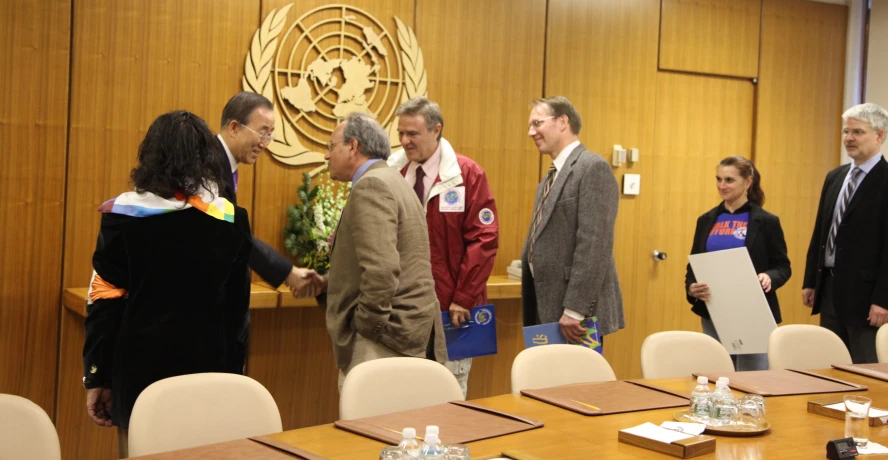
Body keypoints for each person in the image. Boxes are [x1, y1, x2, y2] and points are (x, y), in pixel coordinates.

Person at [83, 111, 252, 457]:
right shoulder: (231, 218)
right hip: (210, 372)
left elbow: (105, 300)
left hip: (138, 375)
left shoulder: (123, 217)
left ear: (150, 158)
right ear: (206, 158)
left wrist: (97, 375)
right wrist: (234, 375)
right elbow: (238, 311)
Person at [316, 112, 447, 390]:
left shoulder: (372, 185)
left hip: (383, 339)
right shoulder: (394, 179)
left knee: (371, 428)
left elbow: (382, 270)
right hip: (403, 330)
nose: (327, 156)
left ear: (352, 147)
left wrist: (367, 326)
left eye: (331, 147)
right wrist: (330, 282)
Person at [386, 97, 498, 396]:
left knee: (448, 393)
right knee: (404, 393)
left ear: (437, 130)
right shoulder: (392, 172)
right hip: (403, 309)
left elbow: (484, 239)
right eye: (401, 133)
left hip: (452, 308)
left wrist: (463, 297)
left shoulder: (467, 175)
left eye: (413, 134)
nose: (405, 142)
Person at [216, 92, 320, 372]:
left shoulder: (224, 167)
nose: (265, 143)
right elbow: (232, 237)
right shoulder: (210, 170)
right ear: (235, 127)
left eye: (270, 135)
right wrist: (288, 272)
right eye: (262, 133)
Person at [521, 96, 624, 345]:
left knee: (578, 383)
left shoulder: (592, 167)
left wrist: (575, 308)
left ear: (563, 121)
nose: (530, 132)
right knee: (549, 382)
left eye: (537, 123)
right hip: (546, 302)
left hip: (574, 315)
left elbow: (595, 244)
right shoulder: (550, 178)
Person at [685, 156, 791, 370]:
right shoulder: (706, 220)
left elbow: (782, 266)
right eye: (718, 179)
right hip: (714, 308)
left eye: (729, 180)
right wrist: (691, 287)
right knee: (718, 374)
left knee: (753, 378)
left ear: (748, 182)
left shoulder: (767, 221)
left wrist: (769, 276)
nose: (722, 186)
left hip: (751, 310)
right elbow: (693, 266)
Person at [803, 102, 888, 364]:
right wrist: (811, 280)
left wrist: (883, 300)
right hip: (829, 288)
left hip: (867, 298)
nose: (849, 138)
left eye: (858, 132)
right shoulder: (835, 177)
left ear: (879, 135)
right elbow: (821, 231)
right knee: (831, 367)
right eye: (846, 131)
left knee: (866, 370)